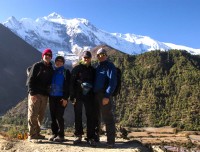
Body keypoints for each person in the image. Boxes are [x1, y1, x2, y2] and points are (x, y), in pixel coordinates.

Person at [69, 51, 96, 146]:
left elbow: (95, 83)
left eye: (88, 57)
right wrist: (72, 97)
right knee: (78, 115)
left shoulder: (93, 70)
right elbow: (71, 83)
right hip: (78, 96)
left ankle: (90, 137)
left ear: (90, 59)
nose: (86, 59)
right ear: (82, 58)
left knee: (90, 116)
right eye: (85, 57)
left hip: (89, 97)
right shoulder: (76, 69)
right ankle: (78, 135)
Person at [27, 48, 54, 141]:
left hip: (45, 95)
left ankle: (37, 133)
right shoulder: (37, 66)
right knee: (33, 114)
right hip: (35, 94)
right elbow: (30, 80)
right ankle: (31, 135)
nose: (48, 56)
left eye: (50, 55)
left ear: (51, 57)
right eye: (46, 55)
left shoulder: (51, 68)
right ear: (43, 56)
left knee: (40, 116)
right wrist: (32, 93)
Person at [93, 48, 117, 148]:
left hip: (104, 95)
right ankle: (96, 139)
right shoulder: (98, 67)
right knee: (96, 117)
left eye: (102, 54)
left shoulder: (110, 66)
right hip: (96, 95)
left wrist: (107, 96)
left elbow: (112, 82)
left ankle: (110, 141)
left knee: (108, 118)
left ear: (106, 55)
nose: (100, 56)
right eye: (98, 55)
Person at [48, 56, 70, 142]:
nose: (59, 62)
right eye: (57, 61)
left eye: (61, 61)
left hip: (61, 97)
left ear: (63, 63)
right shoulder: (53, 71)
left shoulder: (66, 72)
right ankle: (55, 133)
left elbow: (68, 86)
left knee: (59, 116)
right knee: (53, 116)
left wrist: (65, 98)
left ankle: (61, 135)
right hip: (52, 96)